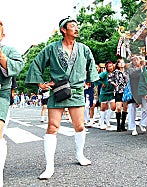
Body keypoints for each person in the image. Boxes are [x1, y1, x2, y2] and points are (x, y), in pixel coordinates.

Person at [25, 17, 99, 180]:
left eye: (77, 26)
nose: (76, 28)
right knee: (52, 126)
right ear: (64, 30)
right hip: (58, 91)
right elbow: (36, 64)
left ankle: (80, 155)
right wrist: (41, 83)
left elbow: (91, 66)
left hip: (77, 92)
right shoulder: (51, 48)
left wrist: (89, 81)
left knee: (79, 125)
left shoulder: (84, 49)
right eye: (73, 26)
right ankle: (49, 166)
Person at [0, 20, 24, 186]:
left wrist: (1, 56)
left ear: (2, 35)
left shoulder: (9, 50)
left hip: (1, 94)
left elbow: (17, 66)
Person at [109, 58, 129, 132]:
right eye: (120, 63)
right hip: (118, 91)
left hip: (126, 91)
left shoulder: (127, 72)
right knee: (119, 107)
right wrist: (115, 84)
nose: (121, 64)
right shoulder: (116, 72)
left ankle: (123, 124)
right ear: (117, 64)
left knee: (125, 107)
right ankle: (118, 125)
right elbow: (110, 79)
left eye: (122, 62)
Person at [96, 61, 116, 130]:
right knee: (103, 108)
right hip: (104, 92)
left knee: (113, 107)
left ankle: (107, 119)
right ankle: (101, 122)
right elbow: (96, 79)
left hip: (111, 92)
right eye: (109, 66)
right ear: (106, 67)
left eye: (112, 65)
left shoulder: (115, 73)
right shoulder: (104, 73)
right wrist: (101, 83)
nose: (111, 67)